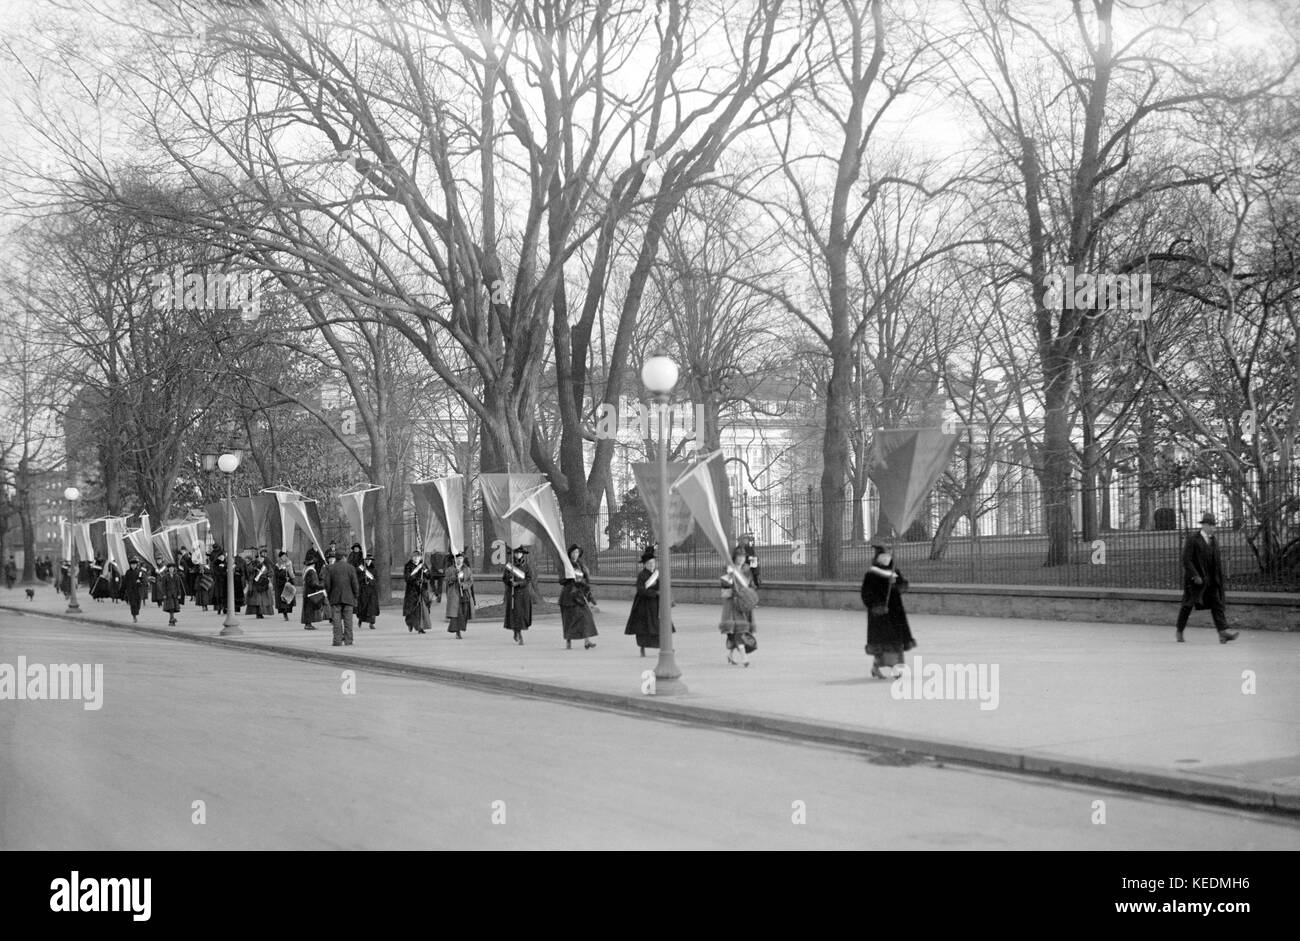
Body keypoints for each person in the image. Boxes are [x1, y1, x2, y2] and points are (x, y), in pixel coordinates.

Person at [1177, 512, 1240, 644]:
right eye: (1211, 526)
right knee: (1187, 605)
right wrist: (1195, 575)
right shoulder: (1193, 539)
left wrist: (1218, 578)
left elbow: (1215, 561)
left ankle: (1222, 633)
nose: (1213, 528)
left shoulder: (1213, 540)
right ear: (1204, 525)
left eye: (1214, 526)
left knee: (1216, 604)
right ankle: (1179, 630)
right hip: (1195, 581)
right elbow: (1186, 560)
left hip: (1210, 580)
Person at [860, 546, 916, 679]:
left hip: (896, 613)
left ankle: (896, 668)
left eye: (888, 555)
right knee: (884, 643)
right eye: (884, 555)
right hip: (881, 614)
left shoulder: (894, 571)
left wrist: (896, 584)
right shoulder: (871, 574)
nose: (887, 557)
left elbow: (903, 586)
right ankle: (877, 667)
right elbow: (866, 594)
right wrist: (876, 606)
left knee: (896, 642)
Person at [625, 546, 671, 656]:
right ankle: (642, 647)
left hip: (656, 605)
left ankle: (663, 647)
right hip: (644, 605)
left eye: (653, 563)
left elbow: (661, 586)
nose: (652, 565)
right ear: (645, 564)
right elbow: (640, 590)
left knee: (659, 625)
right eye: (649, 563)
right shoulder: (642, 575)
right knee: (644, 627)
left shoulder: (657, 574)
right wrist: (654, 593)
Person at [719, 546, 757, 666]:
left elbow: (751, 586)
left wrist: (749, 595)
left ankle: (730, 655)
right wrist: (730, 580)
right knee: (740, 631)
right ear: (734, 558)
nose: (741, 559)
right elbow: (724, 590)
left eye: (743, 556)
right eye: (739, 556)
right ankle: (744, 657)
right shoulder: (729, 570)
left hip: (744, 604)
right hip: (733, 604)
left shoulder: (747, 571)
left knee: (739, 631)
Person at [559, 544, 597, 650]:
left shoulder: (581, 565)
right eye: (573, 552)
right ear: (570, 554)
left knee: (586, 616)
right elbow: (561, 580)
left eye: (577, 552)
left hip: (580, 594)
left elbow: (585, 580)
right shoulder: (566, 565)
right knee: (570, 619)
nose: (575, 554)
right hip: (568, 596)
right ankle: (568, 640)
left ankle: (587, 641)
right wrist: (570, 578)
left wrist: (588, 593)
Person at [324, 550, 360, 646]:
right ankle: (348, 640)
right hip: (348, 598)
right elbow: (355, 584)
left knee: (336, 621)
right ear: (344, 557)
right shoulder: (351, 568)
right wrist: (356, 596)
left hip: (335, 598)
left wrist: (329, 594)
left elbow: (327, 584)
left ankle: (337, 640)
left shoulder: (330, 568)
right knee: (348, 621)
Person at [502, 545, 533, 645]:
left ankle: (518, 631)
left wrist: (519, 583)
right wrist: (509, 580)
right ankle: (518, 634)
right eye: (516, 553)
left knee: (522, 615)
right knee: (515, 614)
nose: (518, 555)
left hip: (523, 594)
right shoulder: (509, 566)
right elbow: (504, 578)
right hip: (513, 594)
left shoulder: (526, 566)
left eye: (520, 553)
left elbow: (528, 579)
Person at [445, 549, 475, 638]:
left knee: (465, 612)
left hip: (464, 594)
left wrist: (464, 585)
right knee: (457, 613)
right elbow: (447, 580)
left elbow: (470, 581)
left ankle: (461, 628)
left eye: (461, 558)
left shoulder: (467, 569)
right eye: (458, 558)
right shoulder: (450, 569)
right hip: (455, 594)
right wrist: (455, 577)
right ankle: (457, 632)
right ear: (454, 559)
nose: (459, 560)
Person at [403, 549, 431, 633]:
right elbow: (407, 578)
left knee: (422, 609)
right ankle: (410, 623)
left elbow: (429, 576)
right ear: (412, 558)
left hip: (422, 590)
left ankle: (420, 627)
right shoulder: (408, 566)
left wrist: (425, 571)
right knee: (412, 610)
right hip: (412, 591)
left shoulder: (423, 565)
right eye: (414, 557)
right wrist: (416, 580)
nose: (416, 558)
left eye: (418, 557)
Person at [300, 552, 328, 630]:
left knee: (308, 608)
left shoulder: (307, 570)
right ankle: (308, 624)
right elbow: (313, 583)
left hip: (307, 591)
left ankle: (308, 623)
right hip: (310, 592)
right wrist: (321, 586)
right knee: (309, 608)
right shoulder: (311, 571)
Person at [244, 549, 275, 619]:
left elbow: (271, 572)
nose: (261, 559)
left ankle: (262, 612)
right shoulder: (254, 564)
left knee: (263, 600)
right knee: (257, 600)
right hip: (255, 584)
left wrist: (267, 576)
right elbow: (249, 570)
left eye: (262, 558)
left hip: (264, 584)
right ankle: (258, 613)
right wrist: (256, 567)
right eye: (260, 557)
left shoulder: (267, 564)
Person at [356, 552, 380, 630]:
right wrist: (363, 578)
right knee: (363, 607)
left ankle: (371, 623)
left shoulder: (374, 570)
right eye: (367, 560)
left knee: (372, 608)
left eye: (369, 560)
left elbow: (376, 580)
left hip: (372, 591)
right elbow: (357, 579)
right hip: (363, 591)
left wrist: (370, 582)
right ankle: (360, 620)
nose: (368, 561)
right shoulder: (361, 569)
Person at [120, 558, 149, 623]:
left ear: (136, 565)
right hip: (130, 591)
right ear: (130, 565)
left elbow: (144, 580)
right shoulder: (128, 572)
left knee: (138, 604)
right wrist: (122, 590)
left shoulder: (140, 572)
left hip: (138, 591)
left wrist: (141, 582)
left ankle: (136, 613)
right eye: (132, 564)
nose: (133, 566)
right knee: (133, 604)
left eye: (134, 564)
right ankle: (134, 616)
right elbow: (125, 582)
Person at [274, 551, 296, 621]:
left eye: (285, 556)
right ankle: (285, 614)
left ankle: (286, 612)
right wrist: (284, 574)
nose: (284, 557)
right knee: (283, 601)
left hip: (288, 584)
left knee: (288, 601)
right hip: (281, 585)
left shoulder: (289, 564)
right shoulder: (278, 565)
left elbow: (293, 574)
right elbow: (277, 575)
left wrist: (290, 577)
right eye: (283, 556)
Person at [160, 562, 184, 626]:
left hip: (175, 594)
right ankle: (172, 619)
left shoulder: (177, 576)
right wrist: (164, 594)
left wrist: (179, 594)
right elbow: (163, 586)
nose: (171, 569)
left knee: (174, 607)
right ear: (168, 569)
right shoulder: (165, 577)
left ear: (174, 569)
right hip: (168, 594)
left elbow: (178, 586)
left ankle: (171, 620)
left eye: (172, 568)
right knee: (171, 607)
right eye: (170, 568)